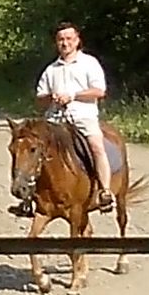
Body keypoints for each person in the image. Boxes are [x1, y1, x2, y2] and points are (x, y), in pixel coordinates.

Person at [10, 21, 113, 218]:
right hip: (55, 121)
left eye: (69, 39)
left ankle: (105, 191)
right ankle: (28, 198)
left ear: (77, 41)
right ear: (56, 43)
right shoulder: (51, 70)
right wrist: (51, 97)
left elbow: (99, 91)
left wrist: (72, 95)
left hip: (82, 117)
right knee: (33, 151)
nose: (65, 43)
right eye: (61, 40)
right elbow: (40, 99)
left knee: (96, 146)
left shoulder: (89, 63)